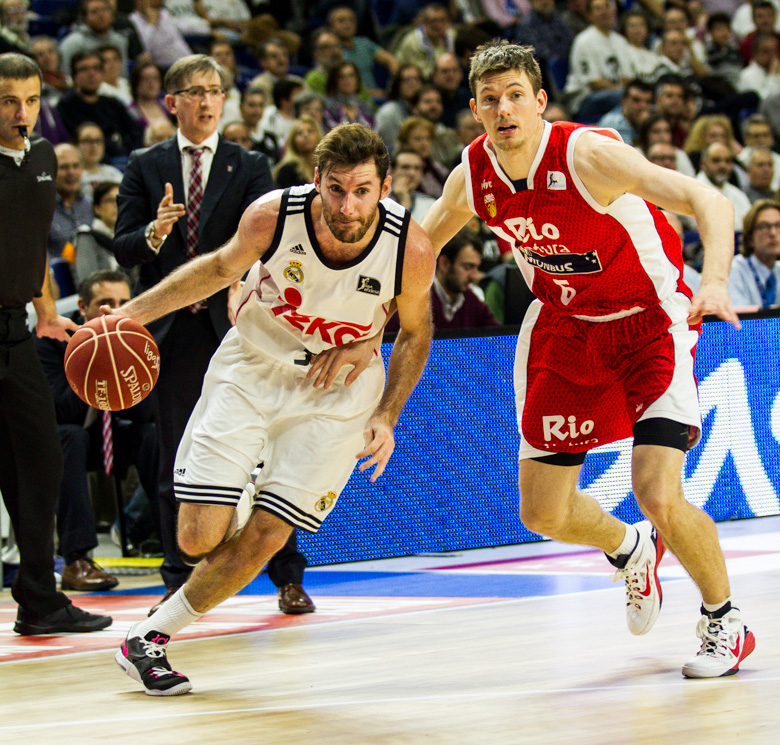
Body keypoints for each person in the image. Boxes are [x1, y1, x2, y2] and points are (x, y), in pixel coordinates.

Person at [420, 40, 755, 678]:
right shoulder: (473, 174)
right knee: (542, 512)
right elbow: (418, 250)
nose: (504, 109)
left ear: (540, 101)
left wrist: (715, 281)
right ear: (475, 110)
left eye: (516, 95)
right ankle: (628, 547)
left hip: (648, 323)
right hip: (568, 329)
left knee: (656, 490)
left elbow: (711, 202)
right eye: (490, 99)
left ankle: (725, 621)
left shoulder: (588, 156)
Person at [113, 122, 435, 694]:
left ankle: (148, 637)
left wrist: (387, 415)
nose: (348, 205)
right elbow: (217, 269)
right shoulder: (273, 216)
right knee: (196, 539)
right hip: (253, 366)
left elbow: (416, 332)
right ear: (316, 179)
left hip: (338, 391)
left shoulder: (409, 248)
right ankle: (237, 490)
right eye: (336, 188)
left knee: (268, 535)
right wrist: (127, 316)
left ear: (385, 187)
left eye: (362, 190)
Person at [113, 54, 274, 615]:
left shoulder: (249, 164)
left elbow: (271, 242)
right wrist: (153, 233)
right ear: (171, 102)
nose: (206, 101)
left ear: (224, 100)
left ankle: (287, 574)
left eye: (214, 90)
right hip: (173, 334)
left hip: (236, 326)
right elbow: (124, 248)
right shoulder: (144, 163)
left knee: (264, 452)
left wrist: (240, 282)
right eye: (194, 91)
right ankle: (176, 577)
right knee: (175, 455)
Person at [0, 52, 112, 635]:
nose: (21, 113)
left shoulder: (42, 156)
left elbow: (36, 239)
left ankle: (40, 600)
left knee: (41, 461)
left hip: (14, 332)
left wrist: (45, 309)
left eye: (31, 101)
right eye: (8, 101)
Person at [35, 270, 159, 590]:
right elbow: (56, 411)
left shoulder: (136, 338)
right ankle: (76, 560)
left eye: (122, 302)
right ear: (82, 307)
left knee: (151, 435)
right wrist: (97, 363)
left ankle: (179, 544)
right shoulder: (52, 338)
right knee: (70, 437)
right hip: (65, 439)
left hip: (110, 435)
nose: (114, 310)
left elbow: (145, 412)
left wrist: (125, 365)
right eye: (105, 302)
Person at [56, 50, 144, 161]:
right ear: (74, 76)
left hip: (123, 160)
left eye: (96, 68)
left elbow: (136, 133)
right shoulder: (66, 106)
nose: (91, 74)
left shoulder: (113, 103)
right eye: (84, 69)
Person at [728, 198, 780, 307]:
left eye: (778, 225)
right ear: (750, 238)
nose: (773, 233)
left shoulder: (777, 270)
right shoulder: (733, 271)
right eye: (764, 227)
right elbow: (738, 316)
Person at [49, 143, 93, 259]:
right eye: (64, 167)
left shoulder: (90, 205)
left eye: (75, 166)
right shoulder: (42, 209)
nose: (71, 172)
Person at [73, 181, 122, 282]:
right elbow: (88, 280)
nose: (116, 205)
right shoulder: (86, 237)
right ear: (96, 208)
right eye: (110, 200)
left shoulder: (127, 237)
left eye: (120, 200)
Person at [388, 148, 436, 224]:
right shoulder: (379, 200)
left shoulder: (430, 204)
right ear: (392, 171)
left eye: (417, 168)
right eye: (405, 167)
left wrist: (405, 199)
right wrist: (404, 200)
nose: (412, 173)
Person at [272, 116, 323, 188]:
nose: (305, 135)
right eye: (299, 133)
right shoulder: (287, 170)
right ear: (293, 141)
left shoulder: (325, 167)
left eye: (310, 131)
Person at [76, 122, 124, 191]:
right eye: (87, 141)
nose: (94, 146)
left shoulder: (113, 173)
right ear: (76, 145)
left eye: (98, 141)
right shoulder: (73, 176)